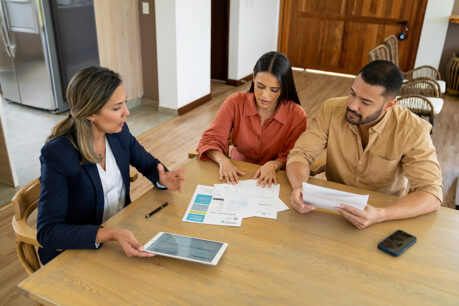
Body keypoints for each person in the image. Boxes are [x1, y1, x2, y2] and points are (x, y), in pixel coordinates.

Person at [37, 66, 186, 264]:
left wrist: (161, 177)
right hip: (78, 252)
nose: (127, 112)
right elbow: (48, 232)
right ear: (90, 113)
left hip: (120, 236)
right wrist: (109, 234)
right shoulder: (58, 154)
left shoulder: (119, 133)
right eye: (117, 108)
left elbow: (148, 163)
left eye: (124, 103)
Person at [287, 60, 443, 229]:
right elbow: (300, 154)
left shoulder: (413, 130)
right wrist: (299, 187)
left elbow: (432, 193)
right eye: (352, 93)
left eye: (366, 102)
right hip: (332, 210)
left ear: (389, 105)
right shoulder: (331, 109)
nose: (353, 105)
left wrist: (381, 215)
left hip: (384, 214)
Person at [197, 51, 307, 187]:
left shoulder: (297, 114)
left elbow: (295, 155)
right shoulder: (235, 102)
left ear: (284, 87)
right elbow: (210, 140)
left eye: (274, 90)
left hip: (275, 179)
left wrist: (274, 164)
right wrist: (223, 160)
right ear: (253, 77)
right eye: (260, 86)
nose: (265, 95)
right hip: (237, 173)